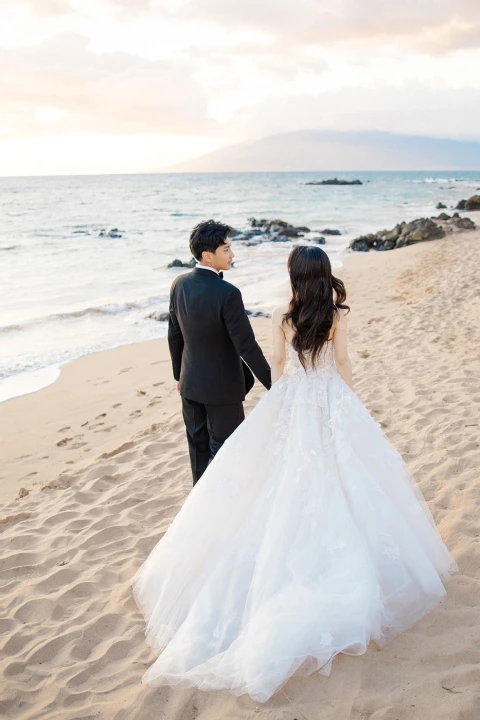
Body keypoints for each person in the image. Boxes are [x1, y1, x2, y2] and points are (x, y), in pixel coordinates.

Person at [134, 245, 457, 703]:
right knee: (348, 477)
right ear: (323, 275)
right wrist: (347, 404)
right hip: (329, 397)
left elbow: (280, 368)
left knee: (282, 481)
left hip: (296, 398)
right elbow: (343, 364)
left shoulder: (282, 316)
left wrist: (282, 407)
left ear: (294, 276)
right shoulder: (337, 315)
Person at [168, 220, 271, 484]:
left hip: (190, 385)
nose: (232, 254)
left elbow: (174, 335)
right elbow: (246, 345)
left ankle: (200, 512)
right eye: (226, 249)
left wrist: (178, 375)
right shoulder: (228, 293)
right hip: (223, 389)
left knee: (198, 451)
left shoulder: (178, 284)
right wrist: (273, 383)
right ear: (207, 255)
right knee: (229, 453)